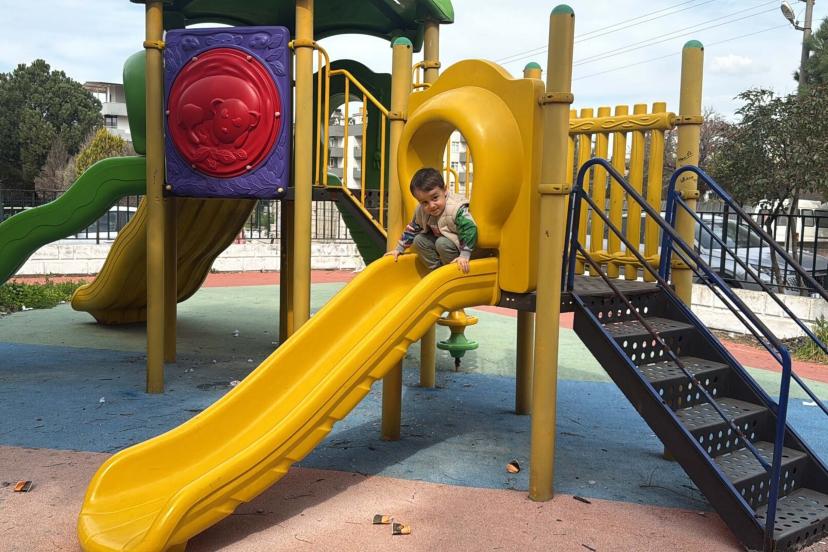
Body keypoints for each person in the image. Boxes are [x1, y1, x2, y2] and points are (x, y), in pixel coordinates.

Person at [385, 167, 478, 274]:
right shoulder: (421, 211)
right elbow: (413, 229)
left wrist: (464, 255)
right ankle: (436, 271)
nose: (431, 205)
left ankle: (452, 271)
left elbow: (470, 229)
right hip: (444, 244)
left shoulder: (455, 208)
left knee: (441, 243)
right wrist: (399, 249)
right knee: (419, 240)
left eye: (435, 198)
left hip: (465, 249)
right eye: (424, 202)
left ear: (445, 190)